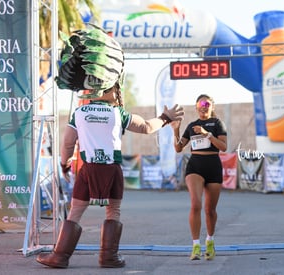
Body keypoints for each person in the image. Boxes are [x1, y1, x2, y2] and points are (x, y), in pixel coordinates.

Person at [36, 24, 184, 269]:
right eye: (117, 88)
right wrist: (166, 117)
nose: (118, 92)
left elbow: (67, 143)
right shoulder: (118, 113)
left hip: (89, 169)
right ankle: (108, 257)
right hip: (112, 169)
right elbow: (148, 126)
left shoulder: (79, 113)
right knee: (113, 212)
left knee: (75, 212)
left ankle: (59, 257)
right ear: (109, 87)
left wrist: (64, 163)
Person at [171, 94, 227, 261]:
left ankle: (209, 241)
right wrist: (175, 129)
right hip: (195, 166)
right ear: (196, 107)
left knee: (210, 210)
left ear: (212, 107)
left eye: (207, 103)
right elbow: (178, 148)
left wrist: (206, 134)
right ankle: (196, 245)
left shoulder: (217, 124)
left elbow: (223, 147)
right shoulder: (191, 125)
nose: (204, 106)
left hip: (213, 166)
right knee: (196, 204)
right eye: (201, 103)